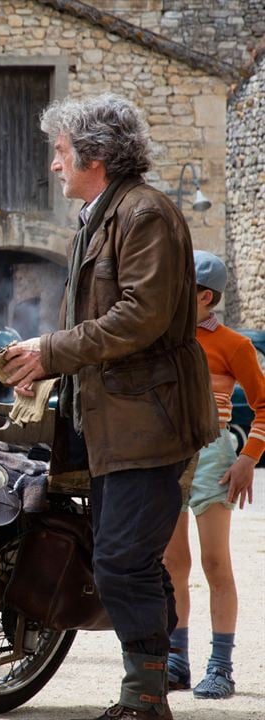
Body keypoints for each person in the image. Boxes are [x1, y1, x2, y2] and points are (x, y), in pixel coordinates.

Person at [2, 94, 216, 720]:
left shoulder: (144, 212)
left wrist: (52, 351)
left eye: (61, 153)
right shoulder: (104, 212)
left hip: (148, 419)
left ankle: (146, 699)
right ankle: (151, 684)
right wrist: (43, 371)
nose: (53, 167)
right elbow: (99, 325)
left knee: (121, 560)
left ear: (94, 156)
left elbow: (139, 318)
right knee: (124, 557)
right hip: (115, 418)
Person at [163, 251, 260, 700]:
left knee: (215, 563)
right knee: (171, 563)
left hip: (212, 455)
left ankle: (221, 667)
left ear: (204, 296)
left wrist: (248, 458)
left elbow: (264, 406)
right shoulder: (160, 337)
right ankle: (176, 661)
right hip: (163, 455)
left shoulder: (234, 345)